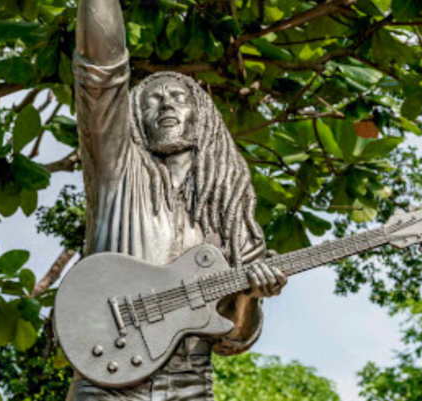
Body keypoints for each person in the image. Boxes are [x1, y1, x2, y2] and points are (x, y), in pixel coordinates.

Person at [67, 0, 287, 399]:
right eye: (152, 98)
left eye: (179, 97)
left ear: (202, 116)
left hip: (192, 382)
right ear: (135, 118)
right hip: (108, 381)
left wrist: (249, 297)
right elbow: (100, 78)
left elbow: (234, 340)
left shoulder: (231, 215)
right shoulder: (117, 173)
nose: (166, 102)